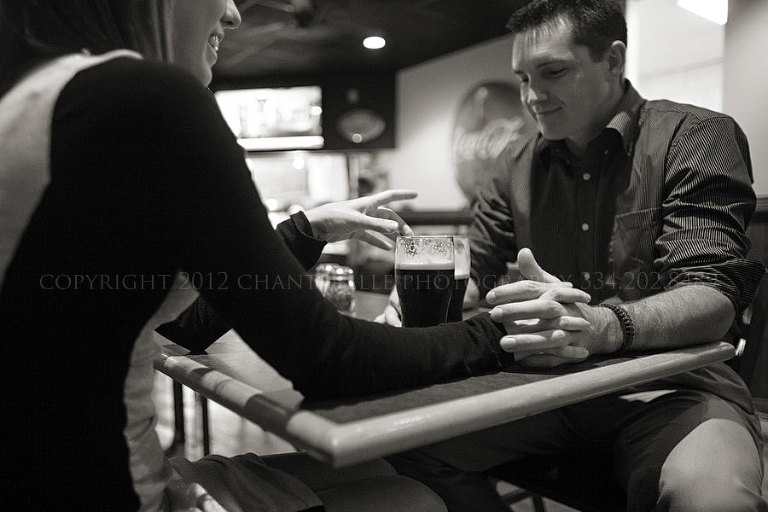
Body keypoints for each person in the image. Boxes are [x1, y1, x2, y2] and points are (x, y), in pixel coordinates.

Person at [0, 1, 526, 510]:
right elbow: (331, 359)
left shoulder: (32, 100)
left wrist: (306, 229)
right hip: (112, 494)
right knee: (416, 497)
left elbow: (185, 325)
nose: (232, 12)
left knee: (383, 468)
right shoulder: (145, 98)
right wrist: (506, 328)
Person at [383, 1, 768, 511]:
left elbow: (712, 296)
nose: (532, 97)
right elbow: (474, 276)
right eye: (522, 78)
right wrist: (405, 303)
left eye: (553, 72)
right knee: (400, 452)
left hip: (673, 388)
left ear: (613, 60)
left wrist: (600, 325)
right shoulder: (513, 163)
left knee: (714, 500)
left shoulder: (692, 135)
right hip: (542, 388)